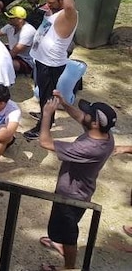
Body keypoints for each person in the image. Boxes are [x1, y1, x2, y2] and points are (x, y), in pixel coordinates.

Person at [37, 95, 116, 271]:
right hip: (77, 191)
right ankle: (59, 241)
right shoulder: (105, 134)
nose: (83, 114)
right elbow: (81, 117)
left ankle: (69, 267)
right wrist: (64, 103)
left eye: (89, 114)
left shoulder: (90, 148)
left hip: (71, 197)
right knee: (61, 228)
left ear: (95, 123)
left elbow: (45, 142)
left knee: (69, 234)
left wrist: (47, 114)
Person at [24, 0, 78, 141]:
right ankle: (46, 115)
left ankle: (43, 126)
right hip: (42, 60)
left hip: (51, 64)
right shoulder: (56, 9)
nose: (48, 5)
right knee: (43, 93)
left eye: (52, 2)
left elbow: (69, 5)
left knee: (47, 96)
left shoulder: (69, 14)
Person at [0, 6, 36, 75]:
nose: (9, 19)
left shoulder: (28, 31)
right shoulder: (10, 26)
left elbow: (14, 52)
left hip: (26, 60)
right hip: (12, 52)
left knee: (6, 64)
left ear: (20, 19)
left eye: (12, 18)